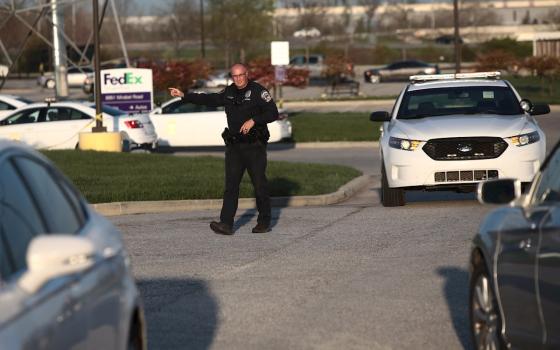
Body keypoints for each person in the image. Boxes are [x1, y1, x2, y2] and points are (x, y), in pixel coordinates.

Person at [168, 63, 278, 235]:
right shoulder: (229, 92)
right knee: (231, 186)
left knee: (259, 185)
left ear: (247, 74)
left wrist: (254, 120)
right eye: (235, 76)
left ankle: (263, 222)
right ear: (231, 77)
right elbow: (208, 99)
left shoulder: (258, 91)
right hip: (235, 147)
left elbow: (273, 113)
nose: (239, 78)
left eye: (241, 75)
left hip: (254, 146)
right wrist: (184, 95)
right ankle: (226, 224)